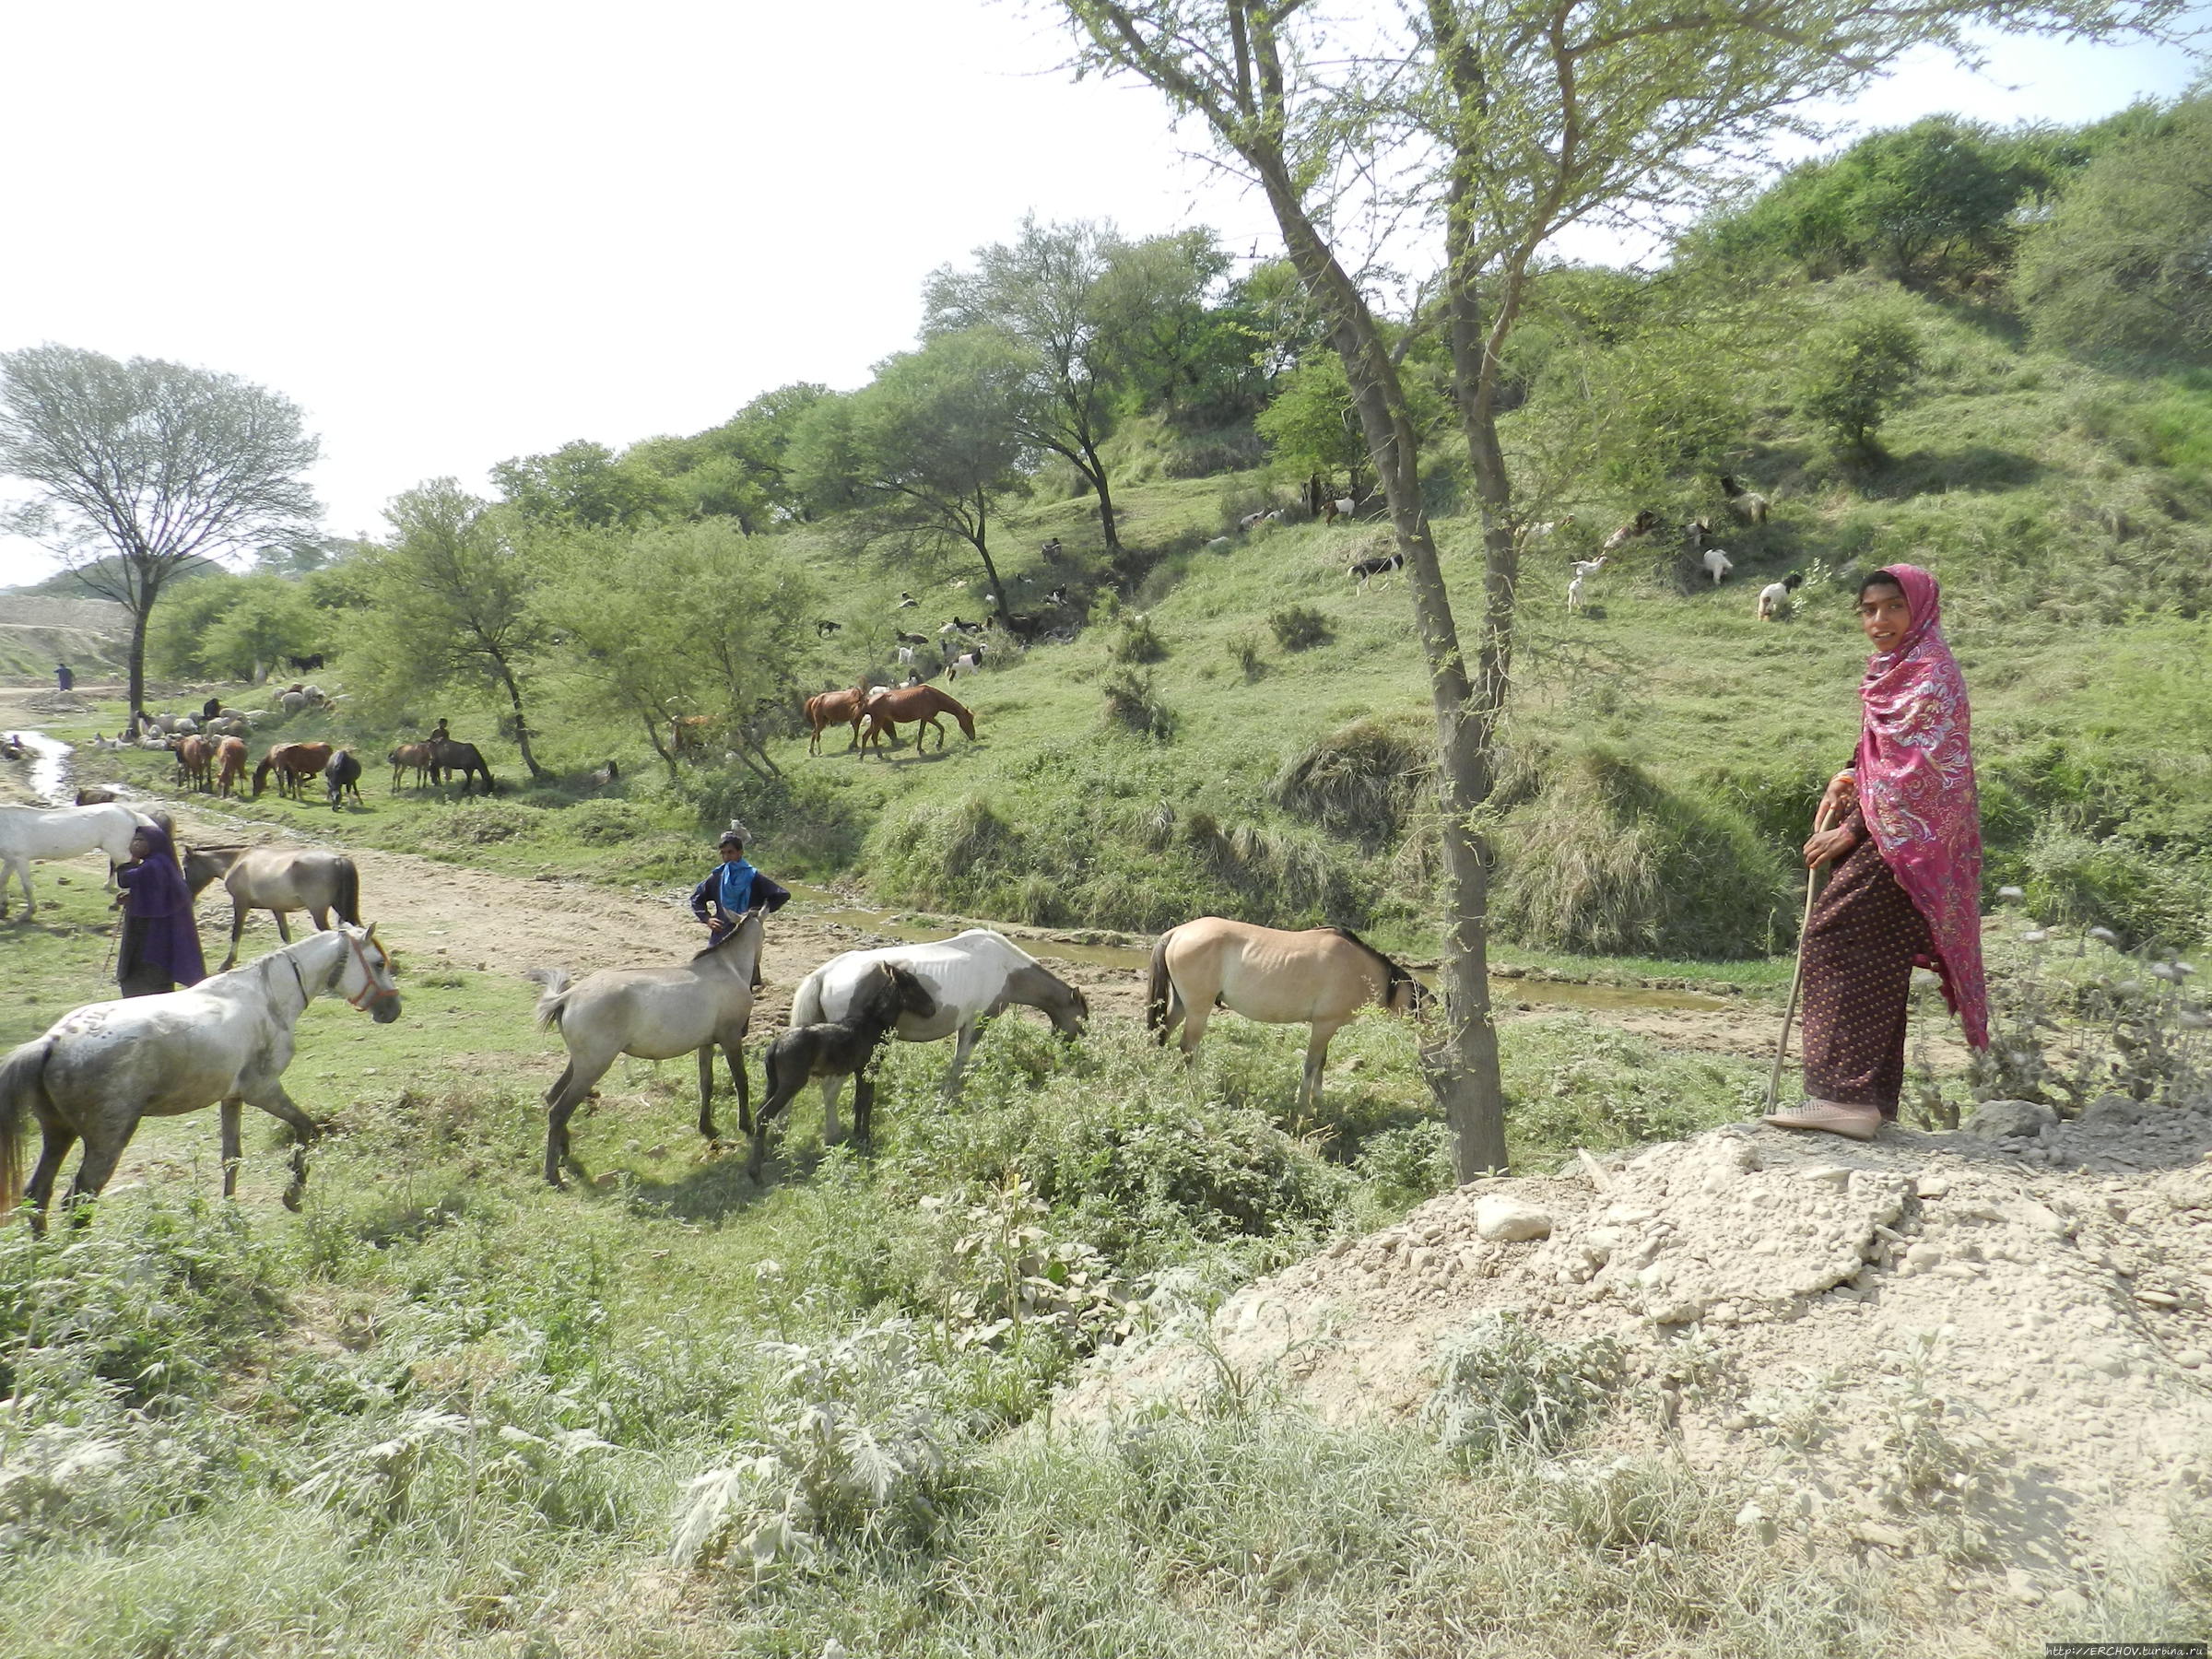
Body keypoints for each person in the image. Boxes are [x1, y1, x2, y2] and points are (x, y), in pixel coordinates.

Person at [1765, 565, 1990, 1142]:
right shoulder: (1895, 671)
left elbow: (1918, 777)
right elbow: (1883, 755)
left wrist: (1852, 831)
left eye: (1892, 607)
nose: (1879, 621)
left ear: (1919, 608)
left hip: (1909, 842)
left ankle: (1842, 1098)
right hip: (1895, 835)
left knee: (1834, 935)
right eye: (1868, 610)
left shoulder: (1931, 675)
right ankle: (1870, 1100)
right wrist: (1849, 776)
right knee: (1879, 950)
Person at [112, 823, 206, 997]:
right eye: (134, 840)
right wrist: (134, 897)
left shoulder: (153, 865)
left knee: (144, 982)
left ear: (154, 843)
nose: (135, 844)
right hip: (159, 933)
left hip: (149, 935)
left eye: (141, 840)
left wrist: (132, 860)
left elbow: (125, 879)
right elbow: (155, 893)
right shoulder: (163, 864)